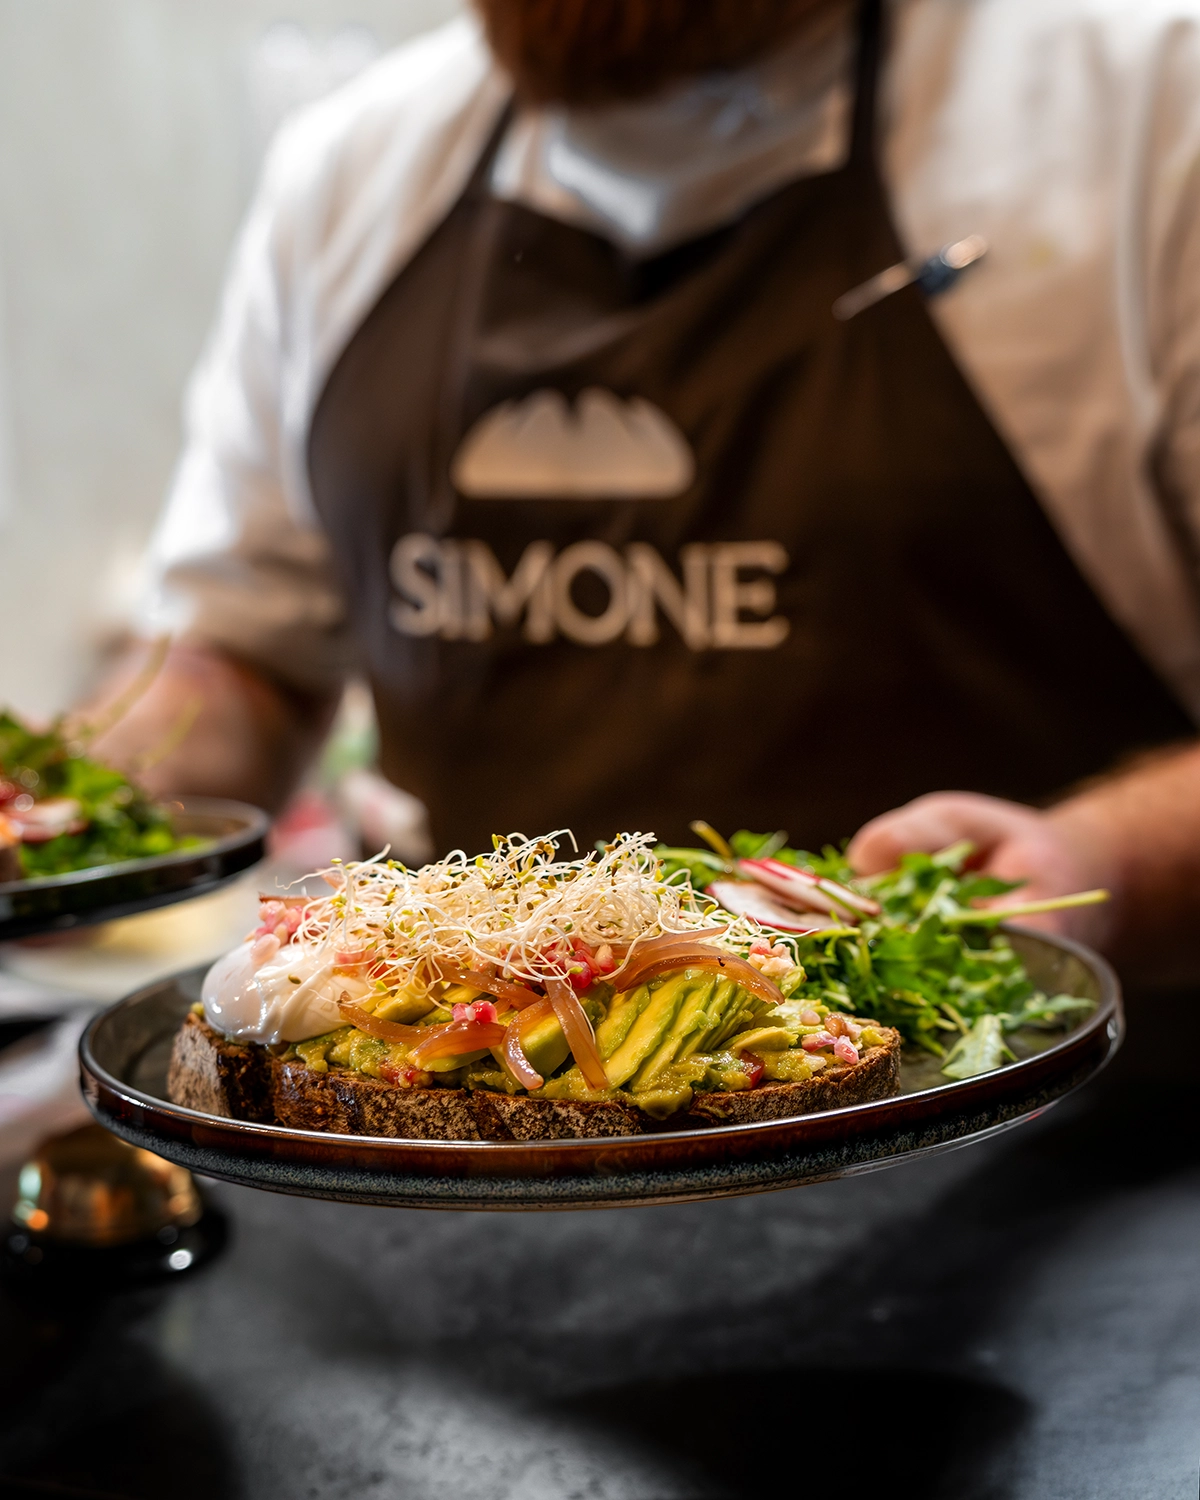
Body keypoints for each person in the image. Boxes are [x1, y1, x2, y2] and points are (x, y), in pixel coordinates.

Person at [96, 0, 1200, 978]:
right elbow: (246, 658)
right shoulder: (351, 170)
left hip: (1057, 1149)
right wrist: (66, 807)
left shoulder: (1148, 114)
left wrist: (1093, 862)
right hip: (466, 1121)